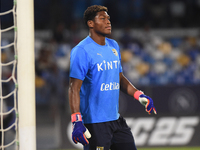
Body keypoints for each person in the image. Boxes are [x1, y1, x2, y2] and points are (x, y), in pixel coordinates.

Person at [68, 5, 157, 150]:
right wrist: (76, 120)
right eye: (102, 19)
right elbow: (74, 88)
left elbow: (120, 78)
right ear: (90, 23)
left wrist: (139, 95)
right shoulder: (81, 51)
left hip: (116, 120)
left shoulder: (113, 45)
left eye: (108, 18)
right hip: (95, 123)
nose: (108, 22)